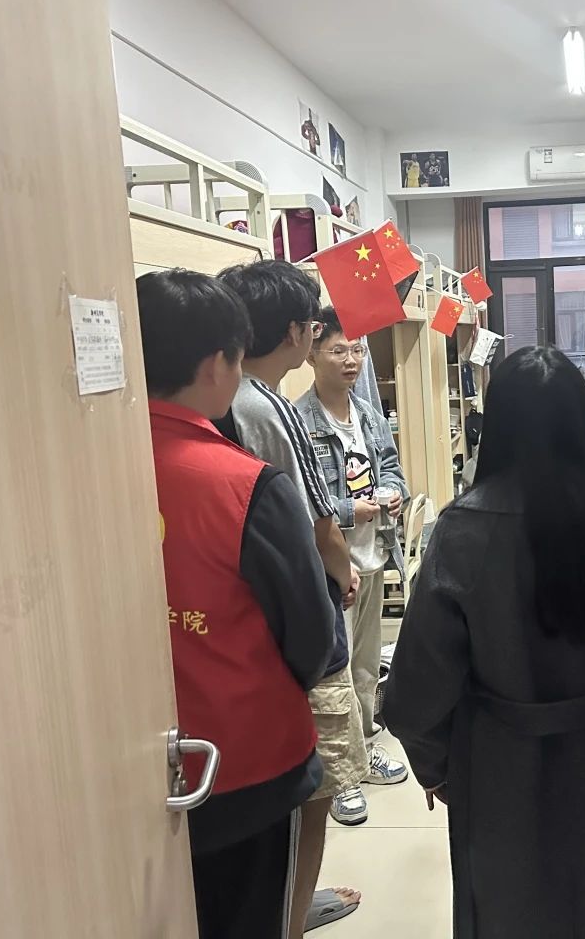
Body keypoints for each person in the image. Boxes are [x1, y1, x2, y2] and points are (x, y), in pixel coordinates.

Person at [382, 347, 585, 939]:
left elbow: (418, 687)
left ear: (497, 424)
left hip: (497, 766)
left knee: (507, 909)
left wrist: (437, 767)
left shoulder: (461, 530)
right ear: (580, 420)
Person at [136, 269, 334, 938]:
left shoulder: (86, 468)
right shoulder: (246, 485)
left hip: (124, 767)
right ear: (218, 363)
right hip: (243, 763)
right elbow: (311, 638)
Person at [213, 260, 365, 932]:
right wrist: (343, 574)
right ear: (298, 333)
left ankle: (291, 904)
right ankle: (294, 914)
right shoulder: (267, 404)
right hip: (300, 615)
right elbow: (318, 522)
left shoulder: (227, 398)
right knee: (316, 783)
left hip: (250, 614)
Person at [295, 307, 411, 794]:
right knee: (334, 674)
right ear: (312, 353)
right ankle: (340, 777)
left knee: (364, 665)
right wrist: (351, 509)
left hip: (374, 555)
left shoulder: (366, 413)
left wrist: (395, 492)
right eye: (338, 350)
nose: (351, 360)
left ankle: (363, 746)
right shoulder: (300, 421)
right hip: (333, 567)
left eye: (357, 350)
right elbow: (303, 500)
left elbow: (391, 466)